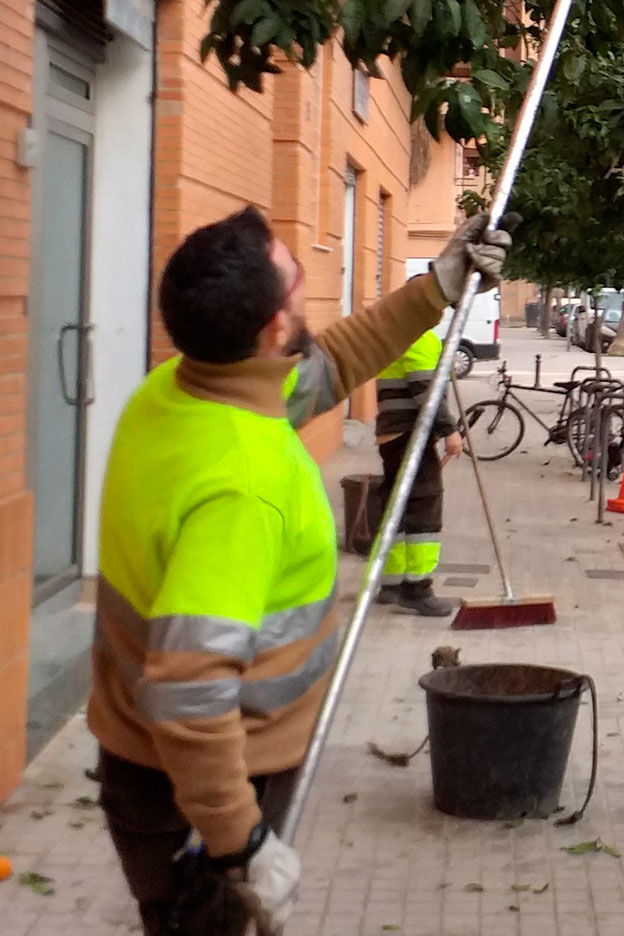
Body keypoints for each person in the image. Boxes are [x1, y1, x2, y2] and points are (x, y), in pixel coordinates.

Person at [89, 207, 510, 935]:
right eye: (296, 284)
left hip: (152, 770)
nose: (307, 290)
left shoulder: (177, 390)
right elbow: (188, 690)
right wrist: (240, 843)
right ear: (272, 331)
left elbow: (335, 361)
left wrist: (436, 286)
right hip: (202, 791)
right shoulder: (241, 485)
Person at [374, 329, 463, 616]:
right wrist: (448, 429)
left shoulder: (399, 335)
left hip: (392, 434)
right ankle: (418, 588)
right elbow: (427, 390)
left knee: (397, 508)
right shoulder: (419, 337)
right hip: (410, 436)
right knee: (425, 504)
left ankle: (392, 583)